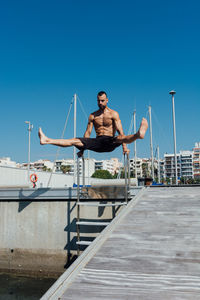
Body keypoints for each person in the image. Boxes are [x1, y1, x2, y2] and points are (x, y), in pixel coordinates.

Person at [38, 91, 148, 157]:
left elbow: (121, 132)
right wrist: (82, 150)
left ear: (107, 100)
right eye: (98, 101)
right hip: (97, 142)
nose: (100, 103)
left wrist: (124, 148)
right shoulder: (93, 115)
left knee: (120, 137)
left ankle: (138, 135)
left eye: (102, 100)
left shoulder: (114, 114)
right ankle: (47, 140)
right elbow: (88, 133)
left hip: (110, 142)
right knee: (75, 140)